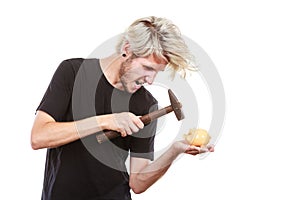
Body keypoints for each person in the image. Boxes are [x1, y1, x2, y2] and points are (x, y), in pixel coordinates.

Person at [31, 16, 214, 200]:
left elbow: (137, 183)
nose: (150, 80)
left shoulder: (146, 105)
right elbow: (39, 137)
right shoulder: (73, 72)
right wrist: (107, 121)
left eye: (156, 73)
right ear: (127, 49)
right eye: (147, 68)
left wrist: (175, 150)